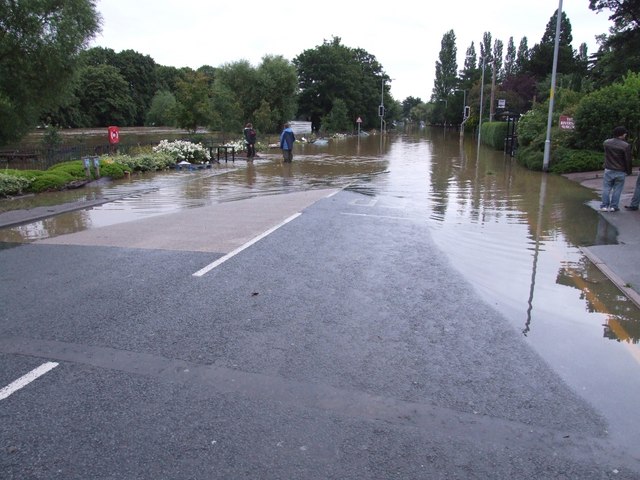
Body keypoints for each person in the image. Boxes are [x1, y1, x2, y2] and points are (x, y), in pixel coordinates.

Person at [600, 126, 632, 212]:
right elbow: (628, 160)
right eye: (625, 133)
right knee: (617, 189)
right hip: (620, 170)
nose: (625, 134)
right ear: (622, 134)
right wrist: (629, 171)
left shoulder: (606, 142)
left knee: (606, 188)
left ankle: (604, 206)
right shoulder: (626, 146)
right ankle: (614, 206)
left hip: (608, 169)